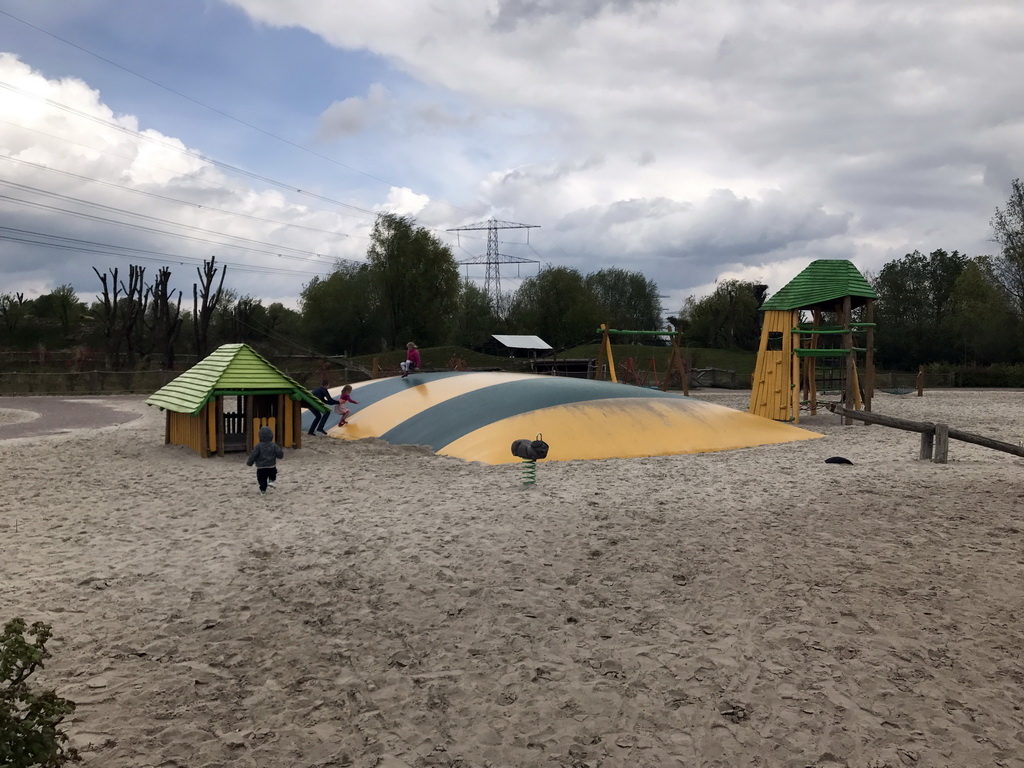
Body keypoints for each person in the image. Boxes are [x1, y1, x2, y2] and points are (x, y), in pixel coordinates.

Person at [246, 425, 284, 496]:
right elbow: (279, 452)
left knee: (262, 479)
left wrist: (249, 463)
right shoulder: (273, 445)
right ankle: (271, 480)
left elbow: (253, 455)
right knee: (273, 473)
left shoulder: (258, 446)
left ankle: (263, 491)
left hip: (261, 468)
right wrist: (280, 456)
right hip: (271, 465)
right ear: (271, 435)